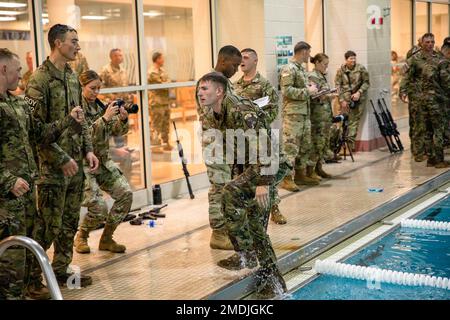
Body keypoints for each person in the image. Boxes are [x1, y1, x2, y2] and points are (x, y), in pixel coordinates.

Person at [0, 48, 84, 300]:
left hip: (24, 194)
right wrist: (8, 180)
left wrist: (68, 120)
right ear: (3, 70)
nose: (21, 74)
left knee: (27, 252)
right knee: (10, 262)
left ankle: (27, 290)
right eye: (17, 70)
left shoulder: (17, 103)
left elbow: (40, 134)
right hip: (5, 197)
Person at [197, 72, 287, 299]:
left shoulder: (240, 110)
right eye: (199, 89)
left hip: (269, 165)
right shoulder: (214, 113)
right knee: (235, 203)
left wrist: (263, 184)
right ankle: (246, 255)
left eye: (205, 88)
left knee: (254, 222)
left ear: (219, 91)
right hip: (250, 166)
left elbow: (265, 147)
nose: (200, 92)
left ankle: (273, 282)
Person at [25, 24, 99, 290]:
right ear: (58, 43)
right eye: (73, 41)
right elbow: (34, 132)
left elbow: (82, 118)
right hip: (52, 169)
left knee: (69, 223)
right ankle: (32, 281)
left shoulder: (71, 75)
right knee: (46, 228)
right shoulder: (39, 80)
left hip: (75, 164)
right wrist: (61, 158)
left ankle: (60, 270)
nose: (78, 47)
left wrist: (88, 149)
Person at [74, 70, 133, 254]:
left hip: (103, 162)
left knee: (125, 194)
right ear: (82, 87)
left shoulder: (100, 106)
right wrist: (105, 118)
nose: (96, 92)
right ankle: (82, 236)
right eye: (92, 88)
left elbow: (116, 132)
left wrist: (122, 119)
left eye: (99, 88)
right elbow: (84, 136)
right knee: (99, 207)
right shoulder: (75, 108)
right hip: (84, 164)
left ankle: (107, 238)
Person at [195, 45, 242, 251]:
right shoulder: (207, 83)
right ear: (223, 61)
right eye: (234, 65)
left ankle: (228, 229)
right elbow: (210, 114)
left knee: (228, 186)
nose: (237, 69)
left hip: (227, 141)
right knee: (219, 187)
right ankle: (218, 233)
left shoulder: (224, 84)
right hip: (215, 142)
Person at [234, 48, 286, 225]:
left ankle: (274, 208)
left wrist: (257, 120)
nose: (242, 61)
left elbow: (273, 110)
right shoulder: (235, 85)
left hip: (261, 137)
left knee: (266, 174)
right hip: (242, 139)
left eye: (246, 58)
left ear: (255, 61)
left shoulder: (264, 85)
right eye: (240, 58)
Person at [400, 33, 448, 167]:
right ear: (421, 43)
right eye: (427, 42)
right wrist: (402, 91)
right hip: (421, 100)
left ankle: (433, 157)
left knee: (436, 128)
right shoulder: (414, 59)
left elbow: (445, 80)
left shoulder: (439, 58)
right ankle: (433, 158)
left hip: (437, 99)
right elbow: (406, 76)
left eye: (432, 42)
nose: (430, 44)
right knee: (426, 128)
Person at [279, 41, 319, 192]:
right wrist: (307, 92)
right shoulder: (288, 69)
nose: (310, 55)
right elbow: (286, 91)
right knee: (290, 147)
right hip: (293, 114)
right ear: (303, 52)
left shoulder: (301, 69)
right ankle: (287, 179)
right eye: (308, 52)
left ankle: (301, 175)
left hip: (304, 113)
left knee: (304, 145)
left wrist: (312, 90)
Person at [334, 50, 370, 153]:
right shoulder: (340, 71)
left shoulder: (361, 69)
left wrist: (359, 92)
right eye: (351, 58)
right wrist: (341, 100)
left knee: (353, 123)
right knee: (342, 123)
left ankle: (349, 147)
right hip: (344, 101)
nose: (353, 60)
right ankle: (340, 147)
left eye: (354, 58)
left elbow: (366, 83)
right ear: (346, 60)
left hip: (357, 100)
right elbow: (337, 86)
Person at [308, 53, 336, 180]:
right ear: (317, 63)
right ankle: (311, 171)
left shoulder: (321, 76)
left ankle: (319, 168)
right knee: (316, 144)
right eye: (325, 64)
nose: (326, 67)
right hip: (317, 116)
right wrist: (330, 95)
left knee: (323, 143)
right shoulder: (312, 76)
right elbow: (315, 96)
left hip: (325, 116)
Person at [148, 52, 172, 151]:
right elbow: (162, 85)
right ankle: (155, 146)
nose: (163, 60)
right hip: (156, 102)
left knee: (166, 124)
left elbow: (168, 82)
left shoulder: (162, 70)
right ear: (157, 59)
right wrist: (165, 82)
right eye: (162, 58)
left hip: (165, 101)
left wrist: (166, 82)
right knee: (156, 124)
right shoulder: (152, 72)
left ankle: (166, 143)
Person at [434, 43, 450, 147]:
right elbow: (446, 82)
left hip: (438, 97)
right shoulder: (443, 62)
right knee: (443, 124)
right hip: (442, 98)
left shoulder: (435, 60)